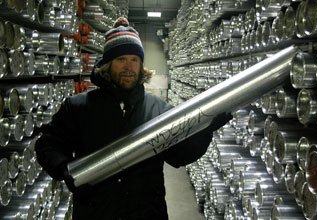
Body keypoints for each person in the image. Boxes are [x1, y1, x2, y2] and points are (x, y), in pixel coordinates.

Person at [35, 18, 232, 220]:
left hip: (146, 212)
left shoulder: (159, 110)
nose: (129, 67)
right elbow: (48, 145)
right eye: (121, 59)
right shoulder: (78, 108)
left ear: (141, 66)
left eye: (134, 59)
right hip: (97, 212)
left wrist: (205, 128)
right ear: (108, 64)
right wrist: (64, 168)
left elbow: (179, 155)